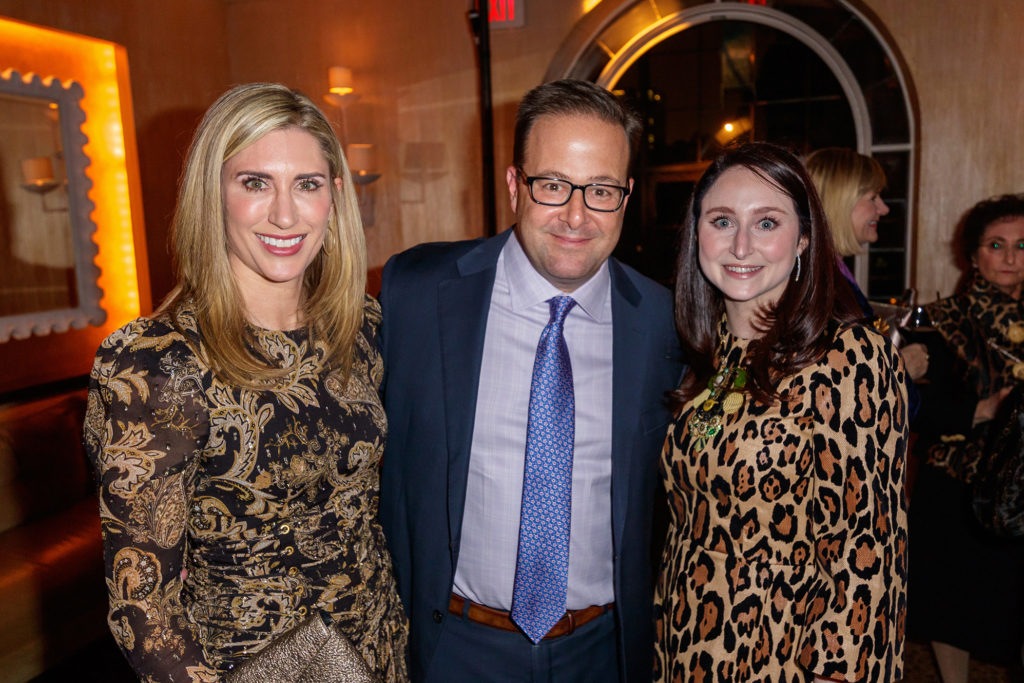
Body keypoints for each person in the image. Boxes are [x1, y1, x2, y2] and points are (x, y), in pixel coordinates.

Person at [83, 83, 408, 681]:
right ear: (214, 195)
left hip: (382, 651)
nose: (285, 214)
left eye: (306, 184)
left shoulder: (360, 327)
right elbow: (142, 608)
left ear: (334, 196)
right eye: (255, 182)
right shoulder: (158, 363)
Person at [378, 79, 684, 682]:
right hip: (454, 648)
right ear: (516, 185)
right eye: (553, 186)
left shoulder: (662, 324)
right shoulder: (417, 291)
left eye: (600, 191)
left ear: (624, 197)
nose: (576, 215)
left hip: (601, 652)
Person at [654, 142, 908, 682]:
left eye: (767, 222)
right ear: (696, 233)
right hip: (685, 644)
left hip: (784, 652)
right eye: (722, 220)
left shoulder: (848, 356)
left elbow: (868, 552)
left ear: (804, 240)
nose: (741, 243)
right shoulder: (704, 355)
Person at [907, 193, 1024, 682]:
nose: (1011, 257)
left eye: (1022, 245)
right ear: (972, 254)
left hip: (1020, 487)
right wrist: (985, 409)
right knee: (950, 608)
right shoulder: (940, 321)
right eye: (997, 245)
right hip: (957, 487)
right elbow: (916, 413)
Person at [805, 147, 928, 381]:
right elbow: (832, 380)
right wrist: (899, 367)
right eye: (873, 197)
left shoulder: (829, 270)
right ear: (839, 202)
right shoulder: (817, 282)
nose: (884, 208)